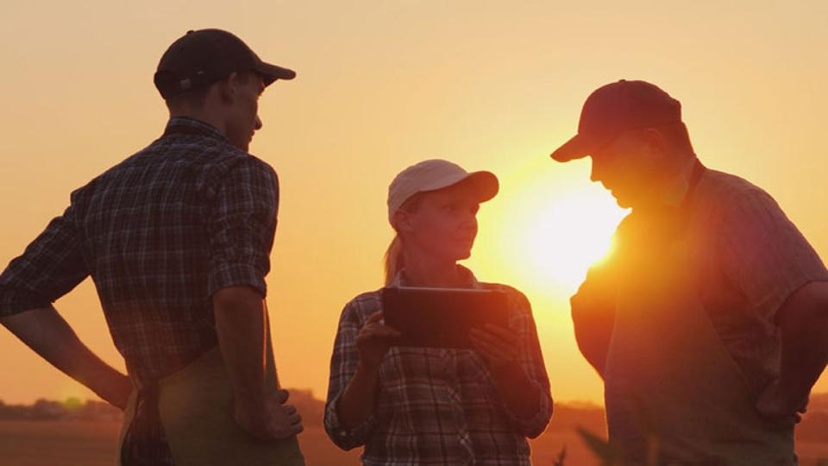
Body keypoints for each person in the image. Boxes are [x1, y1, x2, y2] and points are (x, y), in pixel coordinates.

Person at [0, 29, 305, 466]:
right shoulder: (237, 172)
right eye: (255, 99)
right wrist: (254, 411)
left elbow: (13, 294)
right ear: (230, 87)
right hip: (226, 442)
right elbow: (236, 296)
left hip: (143, 438)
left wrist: (118, 390)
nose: (258, 121)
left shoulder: (101, 191)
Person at [550, 79, 828, 465]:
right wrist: (630, 389)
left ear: (654, 144)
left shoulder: (734, 206)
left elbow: (814, 305)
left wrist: (787, 396)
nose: (595, 175)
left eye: (604, 155)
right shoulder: (632, 231)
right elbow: (587, 311)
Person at [324, 159, 553, 465]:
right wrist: (368, 367)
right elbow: (345, 433)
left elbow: (535, 420)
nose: (469, 221)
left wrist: (507, 366)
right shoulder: (363, 312)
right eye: (451, 209)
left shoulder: (509, 304)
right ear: (406, 221)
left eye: (473, 211)